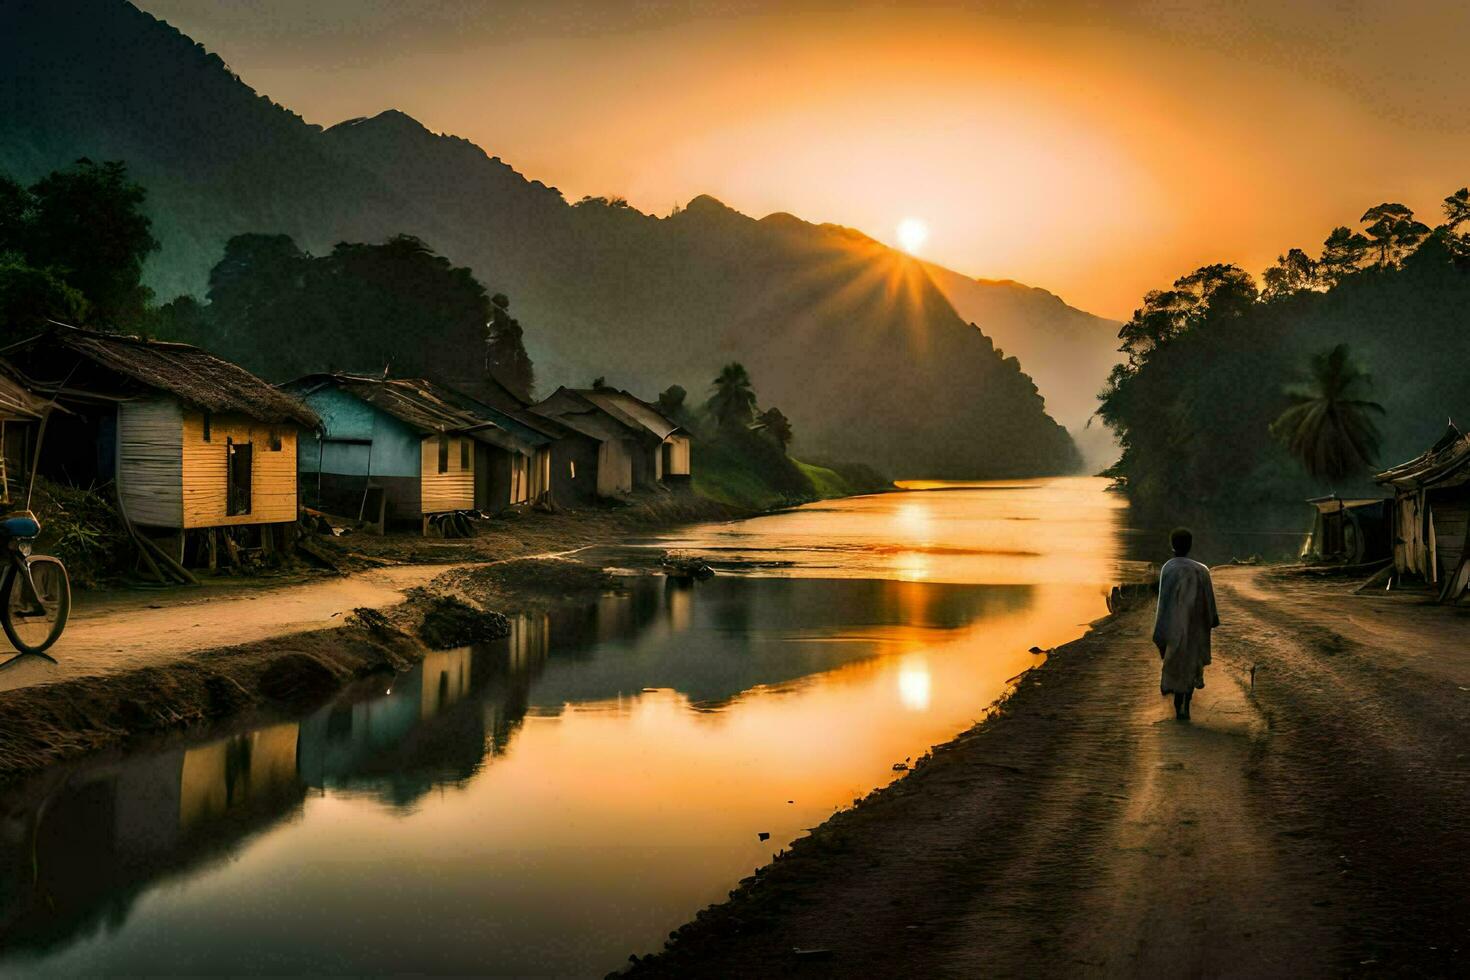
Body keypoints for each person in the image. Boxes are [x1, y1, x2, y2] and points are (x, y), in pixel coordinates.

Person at [1152, 527, 1219, 720]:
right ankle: (1186, 705)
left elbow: (1163, 602)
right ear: (1190, 546)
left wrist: (1160, 630)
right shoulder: (1202, 570)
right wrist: (1212, 619)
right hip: (1196, 627)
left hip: (1174, 626)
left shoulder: (1169, 568)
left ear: (1172, 546)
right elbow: (1210, 601)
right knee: (1191, 665)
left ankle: (1178, 705)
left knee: (1175, 664)